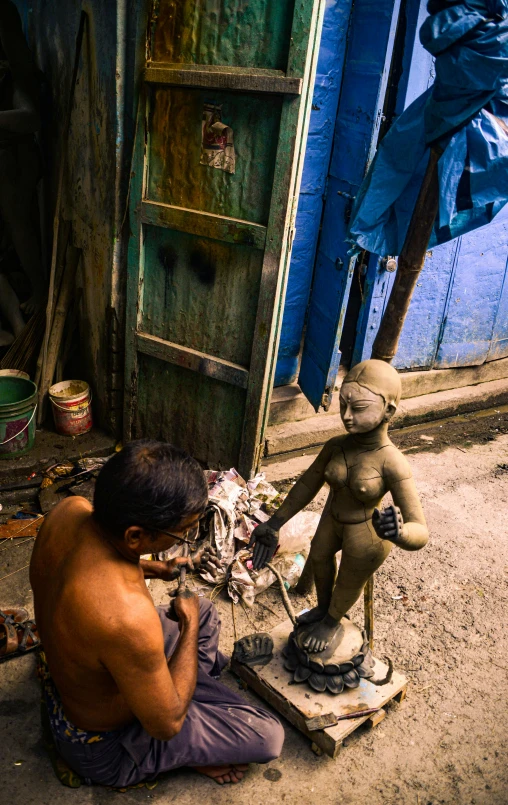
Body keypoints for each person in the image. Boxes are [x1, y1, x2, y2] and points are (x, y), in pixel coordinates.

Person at [30, 440, 284, 788]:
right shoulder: (127, 616)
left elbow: (92, 563)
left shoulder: (68, 511)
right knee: (267, 737)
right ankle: (183, 739)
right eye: (181, 532)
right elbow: (167, 726)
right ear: (135, 536)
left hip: (77, 677)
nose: (186, 539)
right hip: (103, 747)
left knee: (206, 609)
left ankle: (178, 692)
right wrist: (189, 624)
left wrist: (159, 567)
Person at [249, 359, 429, 655]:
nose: (346, 416)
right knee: (319, 558)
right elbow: (306, 485)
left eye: (358, 409)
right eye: (342, 404)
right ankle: (323, 609)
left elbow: (420, 530)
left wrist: (399, 534)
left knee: (348, 579)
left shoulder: (391, 462)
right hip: (332, 521)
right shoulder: (336, 446)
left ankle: (332, 621)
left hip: (368, 532)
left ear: (388, 411)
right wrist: (274, 523)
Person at [0, 0, 44, 345]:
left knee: (20, 228)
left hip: (14, 158)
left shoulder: (12, 73)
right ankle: (15, 327)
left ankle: (40, 294)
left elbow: (31, 119)